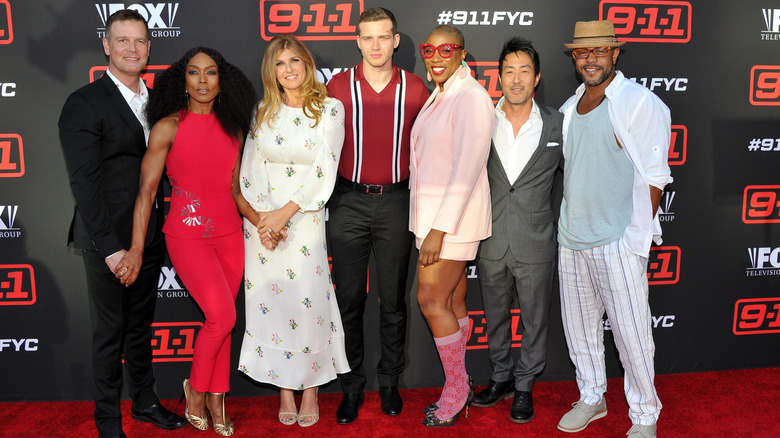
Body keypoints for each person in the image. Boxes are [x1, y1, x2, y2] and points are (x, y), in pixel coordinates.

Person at [114, 47, 257, 437]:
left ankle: (217, 398)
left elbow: (235, 190)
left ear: (222, 80)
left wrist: (261, 222)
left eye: (211, 72)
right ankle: (195, 389)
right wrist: (137, 248)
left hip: (230, 235)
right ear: (183, 80)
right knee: (222, 317)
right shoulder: (168, 127)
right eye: (194, 73)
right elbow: (147, 193)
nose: (203, 80)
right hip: (188, 236)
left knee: (221, 320)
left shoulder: (234, 129)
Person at [58, 9, 185, 438]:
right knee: (110, 333)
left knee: (140, 328)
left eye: (140, 41)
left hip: (149, 235)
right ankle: (109, 422)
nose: (133, 48)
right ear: (106, 46)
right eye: (123, 40)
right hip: (107, 242)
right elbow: (85, 184)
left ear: (150, 47)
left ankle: (145, 402)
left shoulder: (161, 103)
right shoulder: (84, 103)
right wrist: (112, 250)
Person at [556, 20, 672, 438]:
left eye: (599, 50)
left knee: (632, 335)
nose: (590, 59)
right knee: (580, 331)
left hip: (617, 240)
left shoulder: (639, 102)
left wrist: (633, 240)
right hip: (571, 238)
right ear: (574, 57)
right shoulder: (569, 108)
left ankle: (645, 416)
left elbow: (656, 176)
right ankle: (592, 396)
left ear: (615, 53)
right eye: (582, 52)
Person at [236, 34, 349, 428]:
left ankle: (311, 388)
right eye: (280, 63)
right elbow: (250, 168)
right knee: (272, 303)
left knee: (307, 302)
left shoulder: (330, 109)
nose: (288, 69)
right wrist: (263, 221)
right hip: (263, 225)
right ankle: (285, 389)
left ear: (307, 63)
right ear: (272, 71)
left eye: (294, 61)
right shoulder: (262, 110)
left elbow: (325, 167)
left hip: (304, 218)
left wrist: (283, 216)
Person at [325, 7, 429, 424]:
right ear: (357, 41)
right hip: (347, 201)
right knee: (348, 300)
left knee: (392, 300)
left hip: (396, 202)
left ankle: (389, 383)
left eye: (383, 37)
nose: (375, 45)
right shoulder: (337, 86)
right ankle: (351, 387)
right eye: (367, 37)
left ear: (396, 40)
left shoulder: (416, 88)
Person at [472, 37, 563, 424]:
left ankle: (524, 386)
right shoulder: (482, 121)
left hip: (536, 240)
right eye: (509, 71)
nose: (516, 78)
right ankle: (501, 377)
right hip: (490, 238)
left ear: (536, 77)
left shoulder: (557, 123)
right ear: (499, 77)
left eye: (524, 70)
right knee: (494, 317)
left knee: (535, 320)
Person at [410, 25, 494, 427]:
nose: (436, 57)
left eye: (446, 49)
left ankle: (457, 388)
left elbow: (467, 168)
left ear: (462, 53)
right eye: (429, 50)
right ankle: (462, 383)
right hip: (435, 220)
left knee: (430, 300)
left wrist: (439, 230)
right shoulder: (443, 93)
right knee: (453, 300)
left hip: (450, 223)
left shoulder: (472, 97)